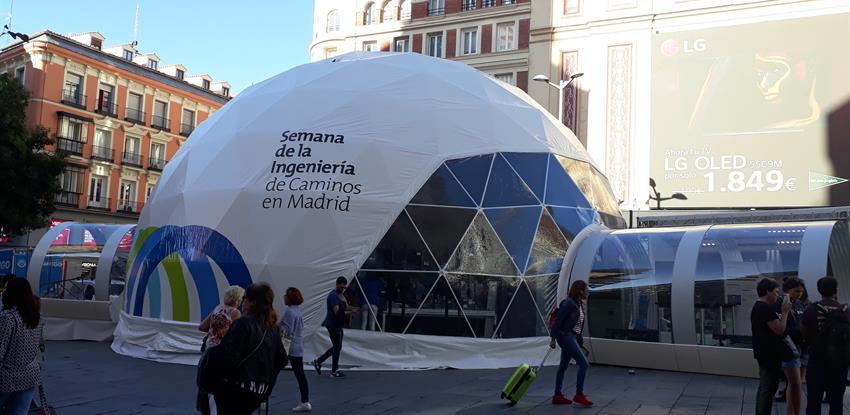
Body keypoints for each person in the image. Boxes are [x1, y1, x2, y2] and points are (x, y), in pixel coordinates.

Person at [210, 282, 288, 415]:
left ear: (253, 302)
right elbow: (282, 359)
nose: (242, 302)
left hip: (237, 388)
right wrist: (267, 381)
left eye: (245, 298)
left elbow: (229, 357)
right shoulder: (273, 328)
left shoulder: (242, 324)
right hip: (259, 390)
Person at [801, 276, 850, 415]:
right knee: (836, 402)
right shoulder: (845, 310)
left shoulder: (811, 310)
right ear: (836, 290)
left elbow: (803, 333)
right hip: (839, 364)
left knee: (813, 403)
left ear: (819, 290)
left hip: (817, 361)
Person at [196, 285, 244, 415]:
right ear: (237, 299)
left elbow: (202, 327)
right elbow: (240, 332)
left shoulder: (217, 309)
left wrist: (214, 330)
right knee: (222, 386)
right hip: (223, 353)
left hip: (209, 351)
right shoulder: (235, 312)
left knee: (209, 384)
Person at [0, 278, 42, 415]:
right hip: (30, 374)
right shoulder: (35, 316)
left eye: (6, 289)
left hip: (7, 377)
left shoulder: (7, 317)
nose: (3, 292)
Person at [751, 277, 791, 415]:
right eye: (776, 291)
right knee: (768, 387)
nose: (777, 295)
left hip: (764, 352)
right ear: (767, 291)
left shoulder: (759, 307)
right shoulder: (764, 308)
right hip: (769, 354)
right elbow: (779, 329)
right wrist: (785, 312)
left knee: (766, 386)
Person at [549, 280, 592, 407]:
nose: (588, 293)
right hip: (565, 337)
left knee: (563, 366)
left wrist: (581, 344)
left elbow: (577, 328)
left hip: (571, 337)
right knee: (584, 363)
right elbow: (558, 321)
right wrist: (553, 339)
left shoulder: (578, 305)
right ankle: (579, 395)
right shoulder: (568, 304)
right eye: (587, 290)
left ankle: (557, 395)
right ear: (580, 291)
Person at [314, 276, 357, 378]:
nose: (343, 289)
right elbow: (337, 312)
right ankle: (333, 370)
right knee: (337, 346)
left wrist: (354, 308)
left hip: (338, 324)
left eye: (344, 288)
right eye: (342, 287)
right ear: (337, 284)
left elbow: (345, 307)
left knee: (337, 346)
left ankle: (320, 362)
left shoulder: (340, 295)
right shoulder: (333, 296)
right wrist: (350, 312)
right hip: (333, 324)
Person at [777, 277, 806, 415]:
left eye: (801, 291)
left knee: (795, 383)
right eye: (796, 291)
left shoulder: (800, 304)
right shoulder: (781, 304)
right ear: (787, 290)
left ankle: (791, 411)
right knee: (795, 383)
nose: (799, 294)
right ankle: (794, 412)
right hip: (788, 346)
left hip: (799, 346)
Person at [281, 287, 311, 412]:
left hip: (289, 346)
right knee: (300, 374)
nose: (284, 296)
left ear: (289, 298)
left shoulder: (289, 312)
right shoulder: (298, 311)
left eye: (286, 295)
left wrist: (277, 326)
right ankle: (305, 401)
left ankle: (262, 399)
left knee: (272, 372)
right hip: (298, 346)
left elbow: (287, 331)